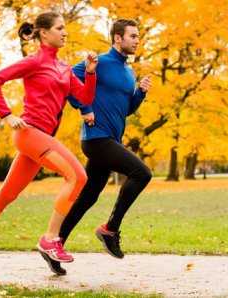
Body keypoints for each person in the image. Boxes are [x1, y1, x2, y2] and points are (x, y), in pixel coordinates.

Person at [0, 11, 98, 275]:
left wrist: (90, 73)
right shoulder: (33, 62)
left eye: (65, 28)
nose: (65, 32)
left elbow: (85, 97)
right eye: (59, 28)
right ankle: (50, 239)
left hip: (41, 140)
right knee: (78, 176)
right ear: (44, 33)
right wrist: (6, 115)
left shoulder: (65, 68)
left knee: (8, 193)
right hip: (29, 133)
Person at [40, 19, 152, 275]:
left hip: (111, 139)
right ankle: (110, 229)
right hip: (96, 138)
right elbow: (67, 81)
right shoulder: (98, 62)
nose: (137, 40)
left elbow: (127, 110)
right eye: (132, 36)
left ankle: (54, 244)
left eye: (138, 36)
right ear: (117, 38)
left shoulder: (128, 72)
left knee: (88, 197)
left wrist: (141, 94)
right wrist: (86, 108)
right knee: (142, 173)